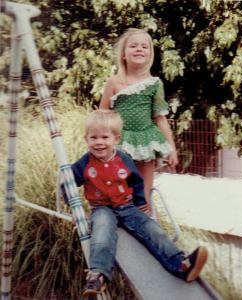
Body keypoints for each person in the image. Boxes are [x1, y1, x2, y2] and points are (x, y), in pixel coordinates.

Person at [64, 109, 208, 297]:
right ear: (86, 139)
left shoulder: (123, 159)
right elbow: (67, 184)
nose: (99, 142)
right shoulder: (84, 164)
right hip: (101, 209)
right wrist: (75, 210)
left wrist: (141, 203)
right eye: (94, 137)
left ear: (116, 138)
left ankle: (182, 265)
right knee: (102, 233)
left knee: (152, 229)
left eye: (105, 137)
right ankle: (97, 275)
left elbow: (136, 181)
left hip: (126, 206)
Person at [99, 28, 179, 215]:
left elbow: (160, 117)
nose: (139, 49)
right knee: (116, 186)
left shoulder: (155, 84)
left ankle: (144, 226)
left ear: (150, 53)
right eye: (133, 45)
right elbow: (102, 114)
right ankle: (114, 221)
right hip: (120, 141)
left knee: (144, 192)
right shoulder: (114, 83)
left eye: (145, 46)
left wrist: (172, 148)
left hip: (146, 140)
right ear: (124, 54)